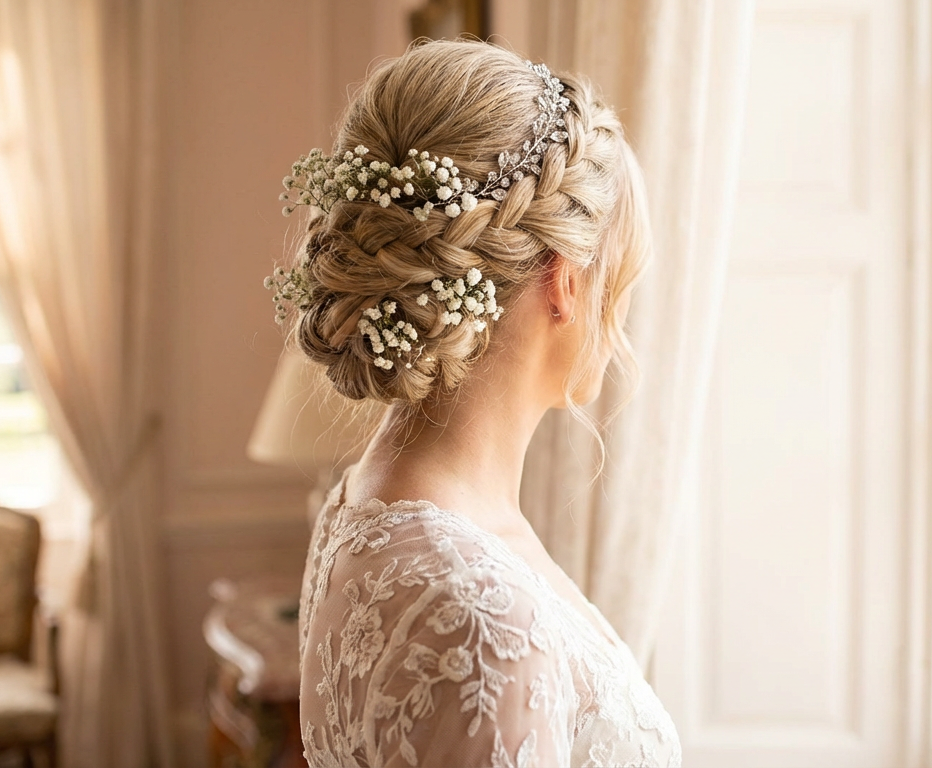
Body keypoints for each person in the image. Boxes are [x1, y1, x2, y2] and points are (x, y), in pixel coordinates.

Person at [270, 39, 681, 768]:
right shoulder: (483, 621)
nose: (620, 328)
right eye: (621, 283)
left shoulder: (365, 505)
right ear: (565, 279)